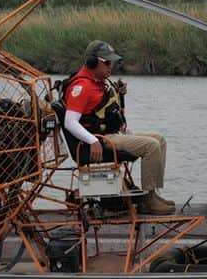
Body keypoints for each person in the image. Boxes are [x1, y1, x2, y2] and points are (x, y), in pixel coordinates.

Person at [60, 40, 176, 215]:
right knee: (150, 146)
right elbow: (70, 121)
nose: (110, 66)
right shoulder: (81, 87)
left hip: (112, 134)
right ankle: (147, 201)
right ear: (91, 62)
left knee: (159, 140)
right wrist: (92, 141)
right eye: (106, 62)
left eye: (111, 62)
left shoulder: (98, 82)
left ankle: (153, 193)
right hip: (102, 139)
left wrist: (119, 95)